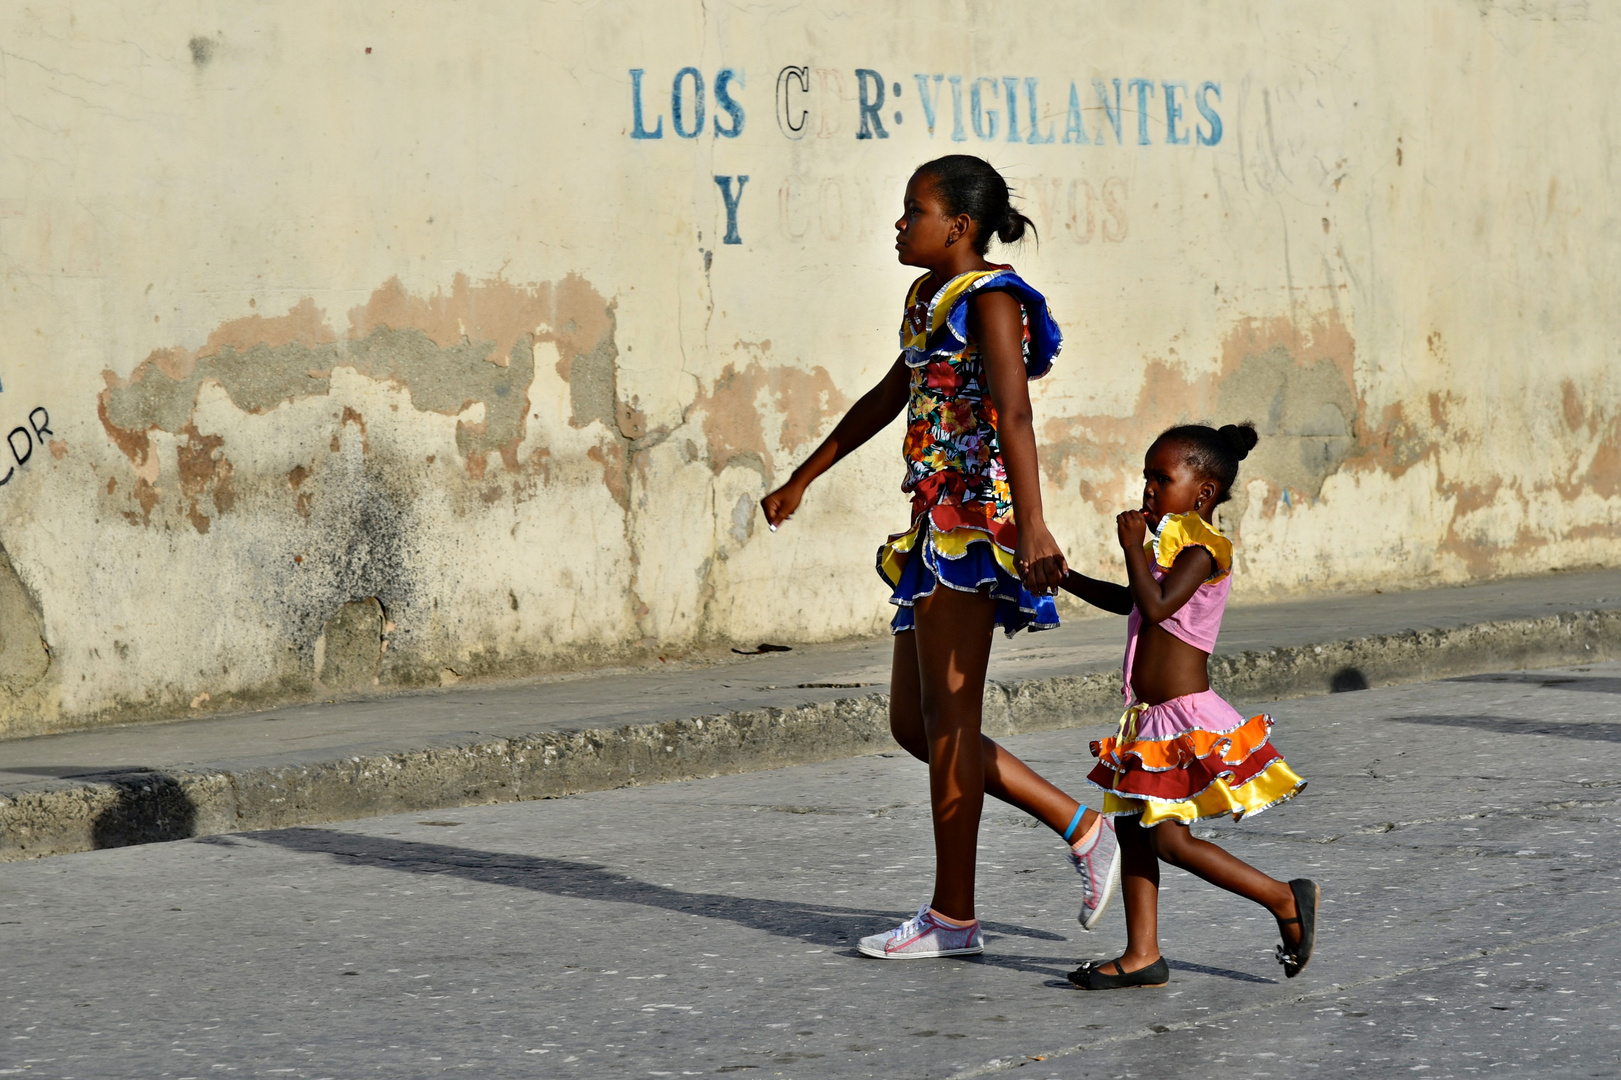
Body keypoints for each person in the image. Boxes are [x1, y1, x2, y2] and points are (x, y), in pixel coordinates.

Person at [760, 154, 1122, 960]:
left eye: (911, 210)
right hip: (930, 522)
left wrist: (1033, 527)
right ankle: (1080, 824)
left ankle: (951, 918)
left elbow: (1014, 416)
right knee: (915, 726)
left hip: (974, 528)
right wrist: (802, 477)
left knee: (952, 726)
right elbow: (891, 396)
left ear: (957, 226)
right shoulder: (928, 298)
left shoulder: (993, 301)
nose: (898, 223)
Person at [1059, 422, 1319, 989]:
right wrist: (1069, 579)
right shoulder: (1165, 549)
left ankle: (1283, 898)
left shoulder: (1202, 550)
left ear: (1202, 493)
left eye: (1161, 479)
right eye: (1145, 478)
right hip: (1146, 720)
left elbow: (1155, 608)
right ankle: (1141, 955)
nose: (1147, 490)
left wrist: (1130, 546)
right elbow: (1133, 597)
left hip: (1184, 718)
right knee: (1131, 829)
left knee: (1170, 840)